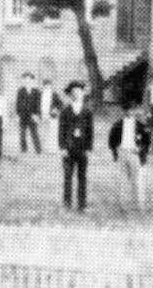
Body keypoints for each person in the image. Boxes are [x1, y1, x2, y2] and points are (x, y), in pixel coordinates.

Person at [108, 102, 151, 211]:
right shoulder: (118, 125)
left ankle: (139, 205)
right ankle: (122, 206)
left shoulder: (141, 125)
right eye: (127, 110)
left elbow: (147, 141)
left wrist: (140, 149)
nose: (129, 112)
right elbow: (111, 140)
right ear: (123, 112)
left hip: (134, 154)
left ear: (135, 111)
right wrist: (115, 151)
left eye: (132, 110)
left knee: (137, 180)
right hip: (122, 152)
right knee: (122, 180)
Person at [58, 82, 94, 211]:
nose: (77, 94)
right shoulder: (65, 111)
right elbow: (61, 130)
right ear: (70, 95)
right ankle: (67, 204)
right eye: (74, 92)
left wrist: (89, 148)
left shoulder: (87, 111)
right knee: (68, 177)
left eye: (79, 92)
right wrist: (62, 147)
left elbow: (90, 131)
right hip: (68, 148)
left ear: (83, 93)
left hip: (82, 148)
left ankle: (82, 205)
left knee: (82, 177)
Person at [15, 73, 42, 154]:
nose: (27, 81)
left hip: (32, 115)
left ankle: (38, 150)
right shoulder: (20, 90)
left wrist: (37, 114)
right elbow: (18, 103)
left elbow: (38, 103)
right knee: (22, 133)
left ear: (32, 80)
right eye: (25, 79)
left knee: (34, 133)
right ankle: (23, 149)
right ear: (23, 80)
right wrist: (18, 114)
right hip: (23, 115)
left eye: (29, 79)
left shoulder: (36, 91)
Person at [38, 77, 60, 154]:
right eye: (45, 85)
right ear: (43, 86)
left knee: (52, 133)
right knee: (44, 133)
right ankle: (44, 149)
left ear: (51, 86)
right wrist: (38, 114)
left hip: (52, 116)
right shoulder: (40, 94)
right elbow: (37, 105)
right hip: (43, 115)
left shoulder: (54, 94)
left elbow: (60, 104)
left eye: (48, 85)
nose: (47, 87)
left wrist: (56, 109)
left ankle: (53, 149)